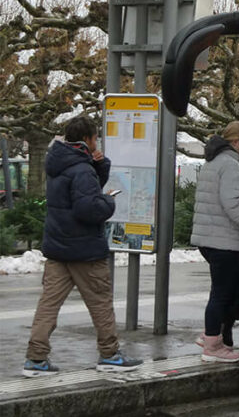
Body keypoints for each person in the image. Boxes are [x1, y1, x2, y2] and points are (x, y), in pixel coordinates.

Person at [23, 116, 142, 377]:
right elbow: (88, 207)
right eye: (95, 137)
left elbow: (79, 194)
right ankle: (110, 354)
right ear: (88, 139)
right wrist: (108, 202)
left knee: (48, 305)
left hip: (58, 248)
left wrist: (100, 166)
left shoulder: (60, 163)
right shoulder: (81, 169)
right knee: (100, 302)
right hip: (85, 250)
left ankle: (36, 358)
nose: (97, 141)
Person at [191, 121, 239, 363]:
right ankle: (212, 343)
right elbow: (231, 203)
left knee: (236, 290)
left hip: (211, 238)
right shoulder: (230, 165)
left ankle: (218, 337)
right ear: (236, 142)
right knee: (222, 293)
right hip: (222, 240)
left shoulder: (213, 161)